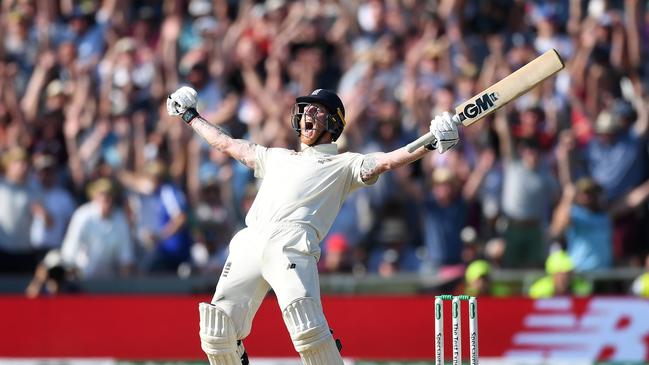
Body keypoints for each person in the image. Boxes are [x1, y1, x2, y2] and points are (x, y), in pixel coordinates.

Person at [167, 86, 460, 364]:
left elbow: (388, 161)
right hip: (250, 240)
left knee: (308, 330)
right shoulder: (275, 156)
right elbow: (227, 143)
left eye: (318, 111)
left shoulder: (345, 165)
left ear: (334, 122)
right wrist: (190, 115)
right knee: (216, 332)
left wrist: (431, 141)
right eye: (306, 109)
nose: (308, 114)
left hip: (292, 245)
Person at [528, 250, 592, 299]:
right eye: (559, 274)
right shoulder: (539, 292)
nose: (563, 278)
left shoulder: (582, 290)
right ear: (552, 275)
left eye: (567, 274)